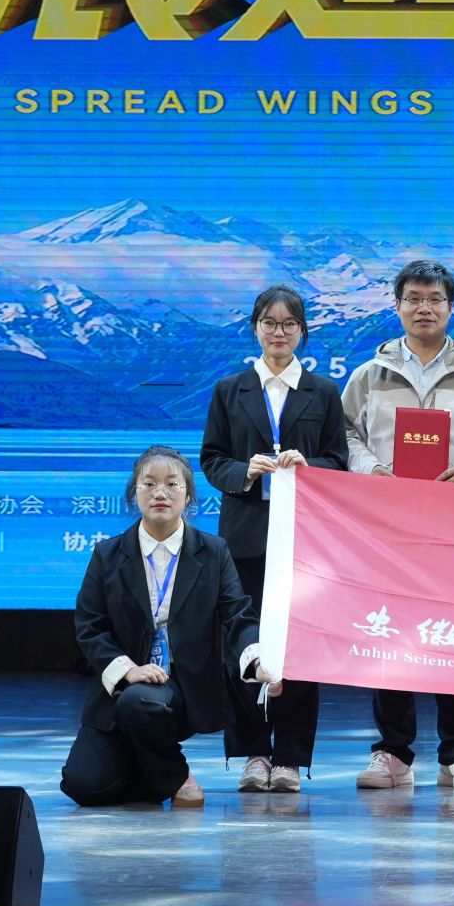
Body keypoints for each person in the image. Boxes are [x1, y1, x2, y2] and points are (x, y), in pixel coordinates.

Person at [342, 258, 454, 790]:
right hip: (387, 525)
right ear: (397, 306)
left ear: (450, 307)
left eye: (435, 299)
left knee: (452, 635)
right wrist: (372, 469)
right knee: (388, 632)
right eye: (413, 298)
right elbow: (344, 436)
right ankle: (393, 751)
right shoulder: (369, 375)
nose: (424, 308)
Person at [61, 445, 281, 807]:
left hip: (181, 686)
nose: (160, 493)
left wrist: (257, 661)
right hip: (122, 688)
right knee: (83, 786)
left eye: (171, 484)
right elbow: (90, 626)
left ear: (188, 494)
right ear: (134, 493)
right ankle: (153, 769)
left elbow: (238, 615)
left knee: (142, 701)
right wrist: (128, 670)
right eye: (149, 484)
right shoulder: (107, 554)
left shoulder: (214, 551)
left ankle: (176, 775)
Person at [200, 285, 348, 794]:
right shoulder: (230, 390)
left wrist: (310, 466)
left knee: (300, 644)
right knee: (242, 641)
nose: (278, 332)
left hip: (305, 538)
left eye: (288, 324)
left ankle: (289, 758)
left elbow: (339, 460)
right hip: (244, 537)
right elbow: (211, 459)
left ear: (302, 331)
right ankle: (253, 753)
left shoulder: (323, 392)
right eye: (269, 322)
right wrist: (244, 471)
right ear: (255, 328)